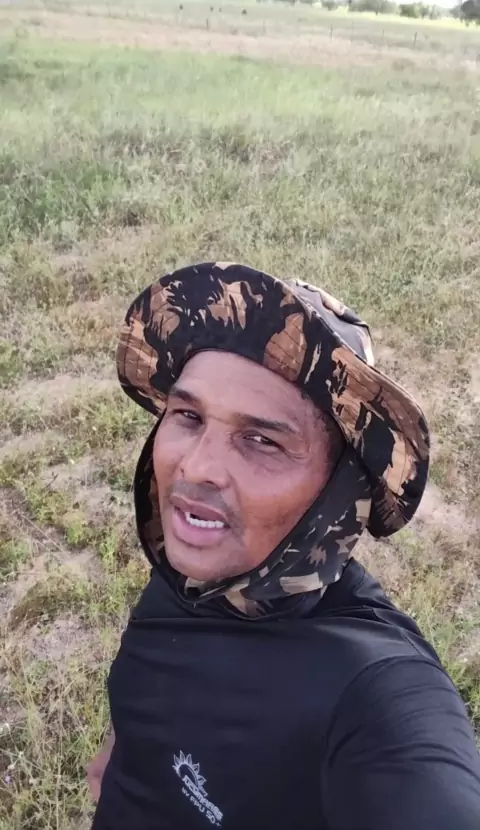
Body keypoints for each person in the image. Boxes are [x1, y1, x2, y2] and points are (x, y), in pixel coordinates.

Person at [88, 262, 480, 830]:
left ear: (337, 488)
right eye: (188, 416)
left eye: (260, 440)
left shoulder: (374, 695)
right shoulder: (207, 568)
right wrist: (128, 755)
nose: (194, 467)